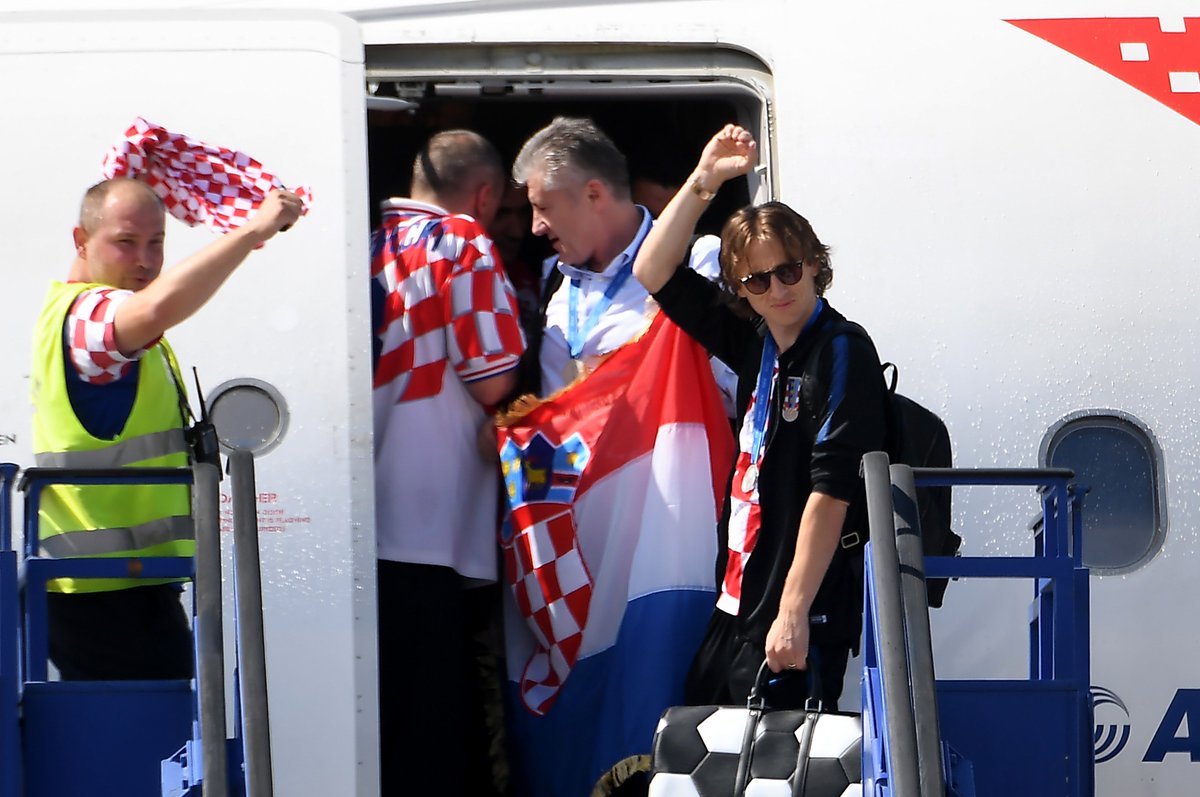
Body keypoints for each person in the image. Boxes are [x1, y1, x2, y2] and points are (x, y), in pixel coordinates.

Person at [632, 124, 887, 708]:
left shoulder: (842, 347)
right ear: (741, 290)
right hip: (738, 601)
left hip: (795, 614)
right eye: (757, 279)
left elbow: (832, 490)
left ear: (816, 266)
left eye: (790, 271)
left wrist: (793, 613)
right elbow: (653, 272)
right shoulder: (755, 340)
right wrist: (704, 181)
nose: (777, 289)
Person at [30, 178, 302, 681]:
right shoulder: (91, 320)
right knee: (154, 747)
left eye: (156, 242)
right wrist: (252, 232)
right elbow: (155, 309)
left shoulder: (72, 309)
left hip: (119, 589)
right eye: (126, 243)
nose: (145, 260)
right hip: (107, 597)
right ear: (80, 241)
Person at [370, 129, 526, 797]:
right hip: (432, 523)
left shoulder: (356, 243)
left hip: (358, 515)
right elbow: (493, 376)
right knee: (433, 726)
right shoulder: (463, 241)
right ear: (486, 194)